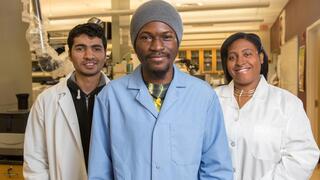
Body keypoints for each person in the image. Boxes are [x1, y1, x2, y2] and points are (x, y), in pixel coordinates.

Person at [88, 0, 233, 179]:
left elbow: (216, 169)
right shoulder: (111, 97)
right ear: (134, 42)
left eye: (166, 37)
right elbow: (100, 172)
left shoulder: (203, 96)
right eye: (146, 37)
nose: (157, 46)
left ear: (177, 41)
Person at [215, 32, 320, 180]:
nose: (240, 62)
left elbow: (303, 156)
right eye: (232, 57)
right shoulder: (212, 99)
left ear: (261, 58)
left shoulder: (287, 104)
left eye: (247, 54)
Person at [23, 23, 110, 180]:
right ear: (69, 54)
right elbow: (35, 159)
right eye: (80, 48)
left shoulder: (120, 98)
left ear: (105, 54)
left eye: (96, 48)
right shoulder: (47, 101)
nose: (89, 55)